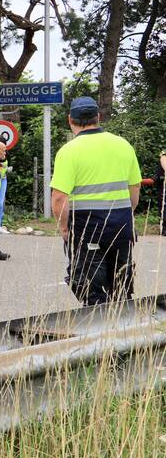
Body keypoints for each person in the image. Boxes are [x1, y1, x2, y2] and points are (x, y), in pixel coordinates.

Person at [50, 97, 142, 306]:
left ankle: (98, 327)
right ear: (98, 117)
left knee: (92, 289)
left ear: (70, 120)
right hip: (121, 224)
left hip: (86, 227)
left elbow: (59, 197)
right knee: (121, 285)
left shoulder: (69, 151)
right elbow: (134, 187)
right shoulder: (123, 145)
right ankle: (124, 331)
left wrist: (64, 228)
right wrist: (127, 212)